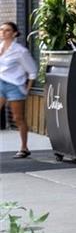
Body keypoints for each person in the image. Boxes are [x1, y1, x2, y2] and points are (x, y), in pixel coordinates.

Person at [0, 20, 39, 158]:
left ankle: (24, 147)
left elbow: (33, 71)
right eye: (1, 29)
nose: (3, 32)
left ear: (14, 33)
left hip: (14, 86)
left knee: (18, 118)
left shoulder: (20, 51)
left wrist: (27, 89)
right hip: (0, 83)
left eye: (7, 30)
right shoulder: (0, 47)